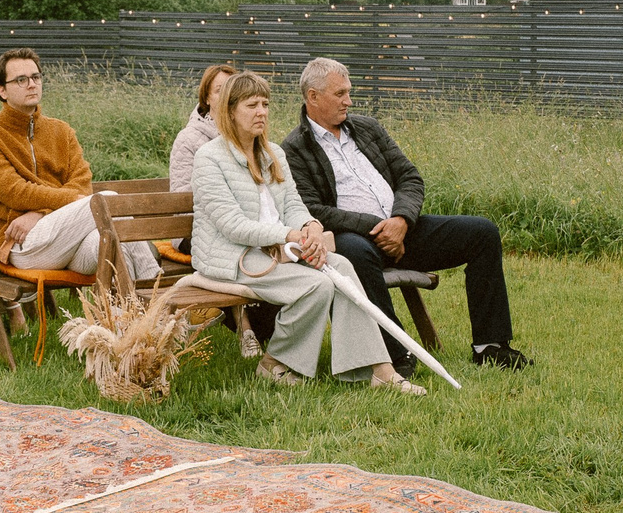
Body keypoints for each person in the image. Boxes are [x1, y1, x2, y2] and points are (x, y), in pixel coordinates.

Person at [282, 59, 531, 373]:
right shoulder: (294, 148)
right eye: (340, 94)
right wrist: (378, 228)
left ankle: (491, 346)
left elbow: (409, 177)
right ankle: (396, 355)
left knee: (482, 232)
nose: (348, 100)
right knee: (355, 254)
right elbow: (313, 209)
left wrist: (401, 221)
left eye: (349, 92)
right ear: (313, 97)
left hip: (403, 229)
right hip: (355, 238)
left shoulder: (367, 128)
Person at [191, 73, 418, 394]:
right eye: (251, 105)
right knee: (316, 285)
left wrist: (310, 227)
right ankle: (274, 363)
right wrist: (291, 236)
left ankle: (377, 368)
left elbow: (294, 206)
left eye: (265, 104)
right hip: (230, 256)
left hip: (275, 249)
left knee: (342, 268)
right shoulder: (209, 158)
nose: (262, 112)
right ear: (229, 112)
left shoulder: (272, 154)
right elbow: (232, 226)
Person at [0, 49, 160, 281]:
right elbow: (14, 192)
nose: (31, 84)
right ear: (2, 90)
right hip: (22, 243)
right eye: (21, 80)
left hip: (69, 240)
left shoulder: (61, 131)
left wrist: (41, 212)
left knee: (110, 243)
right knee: (107, 200)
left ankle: (127, 316)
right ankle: (160, 295)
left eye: (36, 77)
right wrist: (59, 207)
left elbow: (82, 184)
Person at [167, 62, 238, 193]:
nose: (226, 96)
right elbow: (182, 193)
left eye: (232, 91)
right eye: (219, 90)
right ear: (207, 98)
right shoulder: (187, 139)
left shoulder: (248, 134)